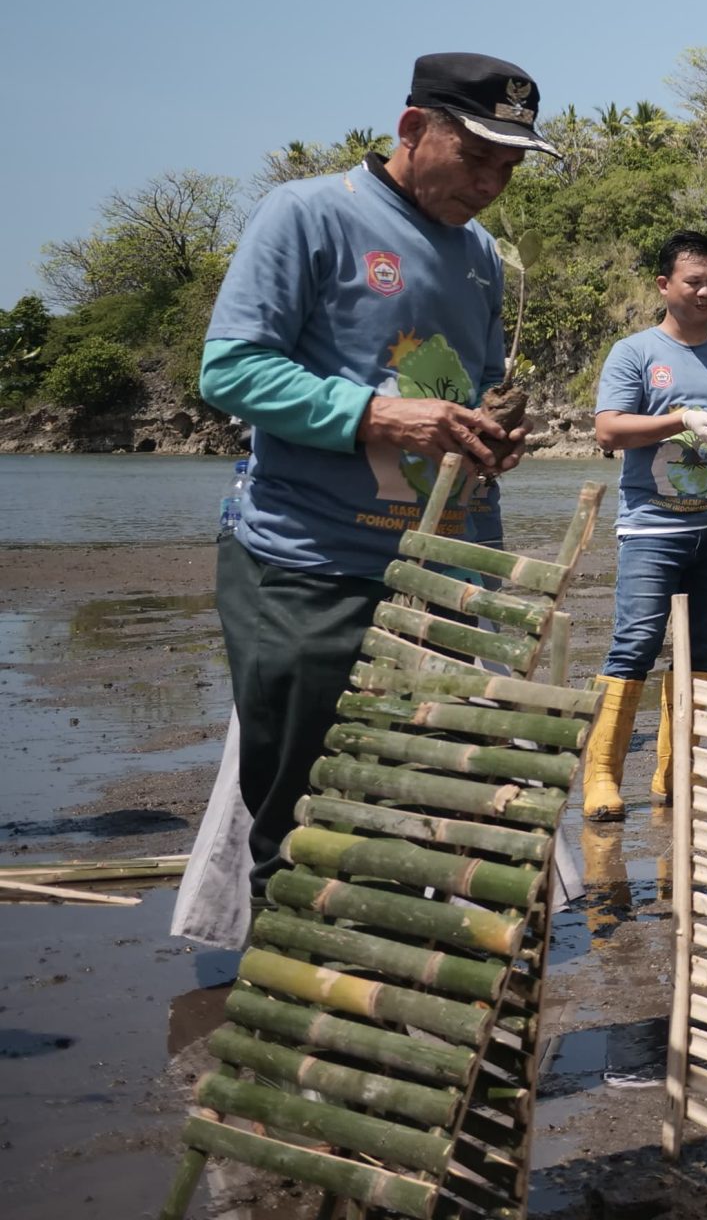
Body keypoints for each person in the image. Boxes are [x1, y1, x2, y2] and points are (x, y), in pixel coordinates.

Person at [197, 52, 549, 882]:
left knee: (423, 812)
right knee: (308, 819)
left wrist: (489, 437)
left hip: (444, 574)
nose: (493, 183)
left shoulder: (483, 257)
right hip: (313, 569)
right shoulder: (308, 215)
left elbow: (463, 390)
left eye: (510, 167)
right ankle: (288, 994)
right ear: (412, 128)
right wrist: (380, 415)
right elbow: (232, 372)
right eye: (477, 157)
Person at [586, 231, 707, 821]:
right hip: (651, 529)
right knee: (635, 645)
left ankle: (677, 772)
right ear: (664, 285)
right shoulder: (635, 353)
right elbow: (608, 432)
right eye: (693, 280)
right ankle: (602, 775)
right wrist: (678, 421)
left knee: (700, 650)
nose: (704, 291)